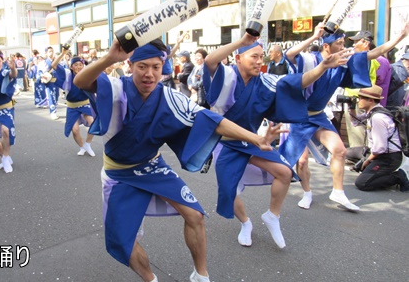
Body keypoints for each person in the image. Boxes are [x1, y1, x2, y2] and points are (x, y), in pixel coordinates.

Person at [74, 38, 279, 282]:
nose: (150, 74)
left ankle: (201, 275)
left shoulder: (171, 98)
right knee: (122, 242)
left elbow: (212, 120)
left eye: (156, 67)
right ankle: (150, 278)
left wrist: (255, 138)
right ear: (130, 64)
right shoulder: (117, 88)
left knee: (195, 216)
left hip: (152, 167)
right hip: (118, 174)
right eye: (142, 67)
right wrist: (109, 58)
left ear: (164, 67)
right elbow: (81, 82)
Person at [203, 27, 350, 249]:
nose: (258, 61)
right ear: (238, 58)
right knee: (229, 190)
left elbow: (295, 82)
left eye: (261, 57)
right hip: (226, 144)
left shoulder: (263, 81)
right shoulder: (227, 76)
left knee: (284, 172)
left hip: (253, 141)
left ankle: (273, 215)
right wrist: (242, 40)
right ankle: (245, 223)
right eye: (254, 56)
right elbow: (209, 62)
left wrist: (322, 67)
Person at [280, 21, 409, 211]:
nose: (343, 47)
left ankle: (338, 192)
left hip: (318, 115)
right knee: (302, 160)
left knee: (339, 150)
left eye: (343, 43)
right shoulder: (309, 60)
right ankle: (307, 192)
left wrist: (400, 36)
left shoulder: (343, 61)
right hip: (298, 116)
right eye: (339, 43)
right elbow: (289, 54)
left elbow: (373, 53)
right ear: (326, 46)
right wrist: (314, 36)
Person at [348, 85, 409, 192]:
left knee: (362, 183)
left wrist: (367, 160)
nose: (358, 101)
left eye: (361, 98)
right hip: (378, 153)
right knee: (346, 152)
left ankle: (398, 176)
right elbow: (355, 122)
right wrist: (351, 108)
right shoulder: (373, 112)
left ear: (370, 100)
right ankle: (372, 170)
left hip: (389, 158)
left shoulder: (378, 118)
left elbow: (380, 147)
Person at [50, 48, 96, 157]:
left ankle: (88, 144)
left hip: (85, 103)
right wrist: (63, 53)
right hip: (72, 106)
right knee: (75, 130)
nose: (78, 67)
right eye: (76, 65)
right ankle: (82, 147)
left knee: (93, 123)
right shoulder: (67, 75)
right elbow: (54, 65)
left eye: (80, 64)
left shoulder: (87, 74)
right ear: (71, 67)